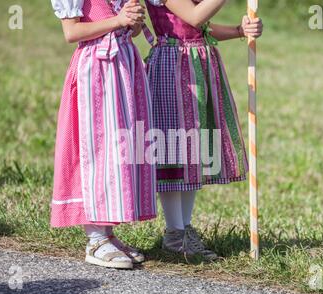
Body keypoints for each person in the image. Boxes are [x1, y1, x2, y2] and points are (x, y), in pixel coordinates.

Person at [145, 0, 263, 260]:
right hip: (175, 65)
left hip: (196, 62)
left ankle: (184, 229)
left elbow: (202, 28)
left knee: (193, 151)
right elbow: (194, 16)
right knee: (175, 148)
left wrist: (240, 30)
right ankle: (175, 233)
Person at [50, 0, 156, 269]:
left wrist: (132, 22)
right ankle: (94, 239)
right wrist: (118, 21)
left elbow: (126, 29)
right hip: (95, 69)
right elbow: (72, 32)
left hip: (122, 65)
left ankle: (107, 233)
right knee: (98, 150)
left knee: (118, 150)